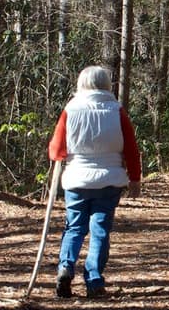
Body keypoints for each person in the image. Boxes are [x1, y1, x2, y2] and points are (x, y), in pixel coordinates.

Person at [47, 66, 142, 298]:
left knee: (74, 227)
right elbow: (131, 149)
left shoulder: (70, 109)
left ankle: (66, 267)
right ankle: (94, 278)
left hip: (77, 180)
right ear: (106, 84)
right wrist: (135, 179)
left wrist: (61, 156)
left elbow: (56, 149)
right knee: (100, 230)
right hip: (109, 181)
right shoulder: (116, 111)